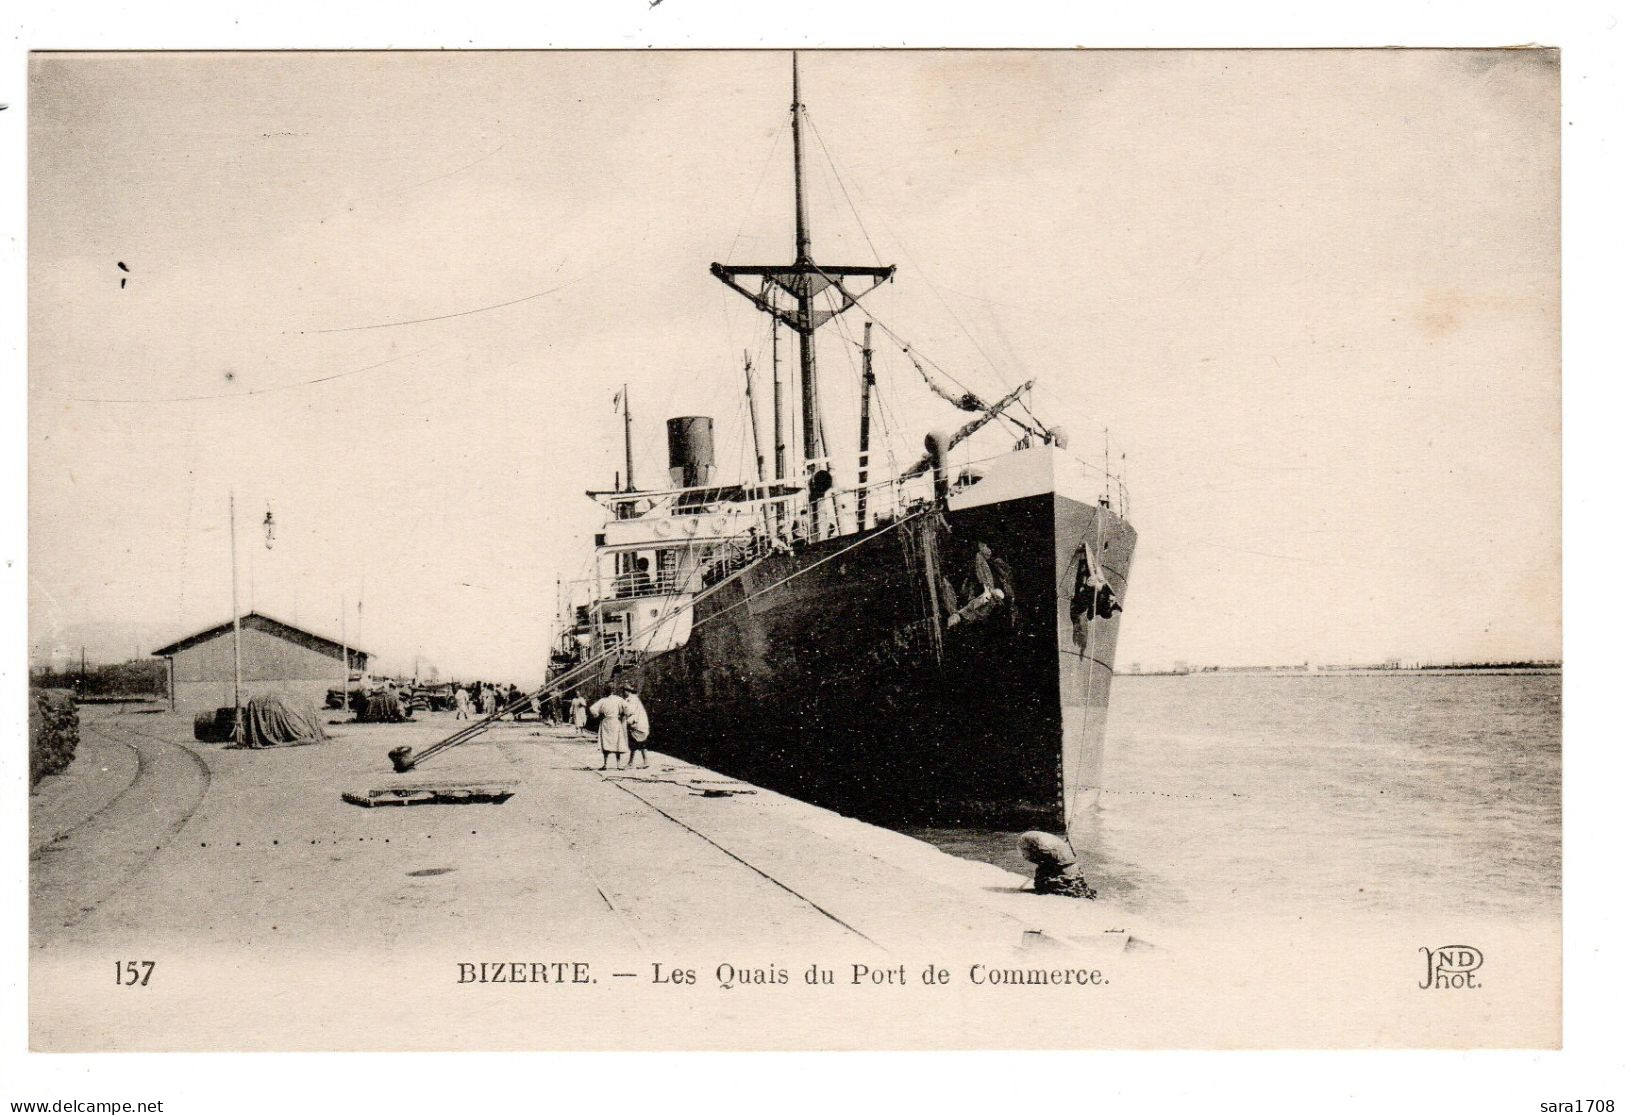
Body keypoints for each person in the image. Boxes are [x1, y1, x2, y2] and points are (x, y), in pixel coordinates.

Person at [588, 689, 629, 770]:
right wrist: (623, 714)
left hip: (606, 722)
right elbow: (627, 707)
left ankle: (605, 764)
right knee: (617, 742)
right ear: (613, 691)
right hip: (615, 722)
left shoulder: (603, 700)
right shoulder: (619, 699)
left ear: (605, 692)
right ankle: (618, 764)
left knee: (606, 743)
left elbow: (592, 708)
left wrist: (596, 714)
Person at [622, 682, 651, 769]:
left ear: (628, 691)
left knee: (638, 743)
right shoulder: (632, 699)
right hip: (637, 724)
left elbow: (630, 712)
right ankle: (634, 762)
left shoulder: (632, 699)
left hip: (637, 724)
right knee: (637, 743)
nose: (623, 693)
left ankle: (636, 762)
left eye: (624, 691)